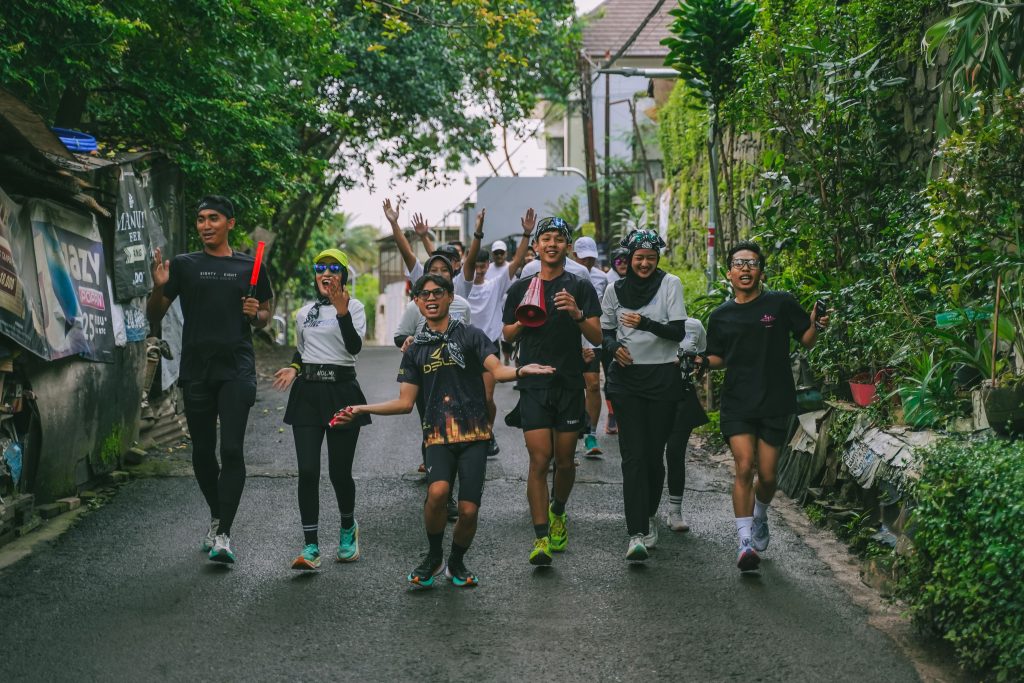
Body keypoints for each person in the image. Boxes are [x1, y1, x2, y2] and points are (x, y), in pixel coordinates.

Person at [332, 274, 554, 587]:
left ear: (450, 296)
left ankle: (456, 562)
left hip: (475, 435)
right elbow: (405, 403)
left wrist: (521, 370)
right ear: (416, 302)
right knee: (437, 493)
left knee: (468, 510)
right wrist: (361, 409)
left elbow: (497, 370)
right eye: (424, 295)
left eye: (438, 293)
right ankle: (434, 556)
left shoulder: (472, 336)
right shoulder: (415, 349)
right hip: (437, 435)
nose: (431, 299)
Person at [147, 195, 273, 564]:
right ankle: (217, 515)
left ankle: (223, 534)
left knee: (231, 450)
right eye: (201, 219)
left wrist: (255, 313)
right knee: (202, 452)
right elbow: (155, 315)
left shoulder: (251, 266)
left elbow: (265, 314)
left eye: (213, 218)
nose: (205, 225)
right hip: (197, 369)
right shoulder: (184, 265)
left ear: (230, 223)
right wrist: (159, 287)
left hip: (236, 368)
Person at [701, 241, 829, 571]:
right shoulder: (720, 316)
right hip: (737, 402)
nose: (745, 269)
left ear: (761, 272)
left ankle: (760, 515)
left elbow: (806, 339)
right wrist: (699, 361)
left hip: (775, 400)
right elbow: (718, 358)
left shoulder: (780, 303)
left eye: (752, 263)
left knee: (769, 477)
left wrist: (816, 325)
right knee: (744, 466)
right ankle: (744, 542)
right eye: (739, 263)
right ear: (729, 273)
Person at [502, 216, 602, 566]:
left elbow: (597, 336)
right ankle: (541, 537)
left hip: (569, 382)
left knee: (564, 461)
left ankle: (558, 509)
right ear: (536, 246)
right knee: (539, 460)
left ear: (567, 246)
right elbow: (507, 335)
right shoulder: (520, 288)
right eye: (546, 238)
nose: (552, 244)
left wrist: (576, 313)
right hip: (533, 384)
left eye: (559, 238)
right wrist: (523, 319)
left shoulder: (580, 286)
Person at [272, 249, 368, 570]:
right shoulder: (304, 313)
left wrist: (341, 312)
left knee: (339, 473)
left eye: (333, 268)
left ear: (343, 275)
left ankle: (347, 528)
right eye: (320, 267)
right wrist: (294, 368)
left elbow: (354, 347)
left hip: (342, 391)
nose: (326, 273)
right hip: (308, 395)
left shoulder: (355, 307)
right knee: (308, 471)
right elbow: (303, 350)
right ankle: (310, 545)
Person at [601, 229, 687, 561]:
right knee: (633, 456)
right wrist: (613, 349)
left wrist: (645, 323)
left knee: (653, 455)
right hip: (626, 380)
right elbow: (605, 333)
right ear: (629, 259)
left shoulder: (670, 284)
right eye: (639, 258)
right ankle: (635, 532)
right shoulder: (614, 290)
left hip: (662, 379)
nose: (645, 264)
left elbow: (678, 332)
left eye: (651, 258)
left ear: (657, 259)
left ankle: (649, 514)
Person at [458, 211, 535, 456]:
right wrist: (478, 232)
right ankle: (468, 432)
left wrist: (526, 234)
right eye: (476, 266)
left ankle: (487, 431)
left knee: (487, 396)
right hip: (463, 346)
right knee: (464, 396)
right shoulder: (461, 287)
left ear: (488, 266)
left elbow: (517, 261)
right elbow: (467, 261)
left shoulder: (496, 284)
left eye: (483, 266)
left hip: (488, 344)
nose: (480, 270)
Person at [662, 318, 710, 533]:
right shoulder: (648, 321)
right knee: (651, 454)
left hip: (682, 395)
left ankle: (675, 511)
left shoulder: (694, 326)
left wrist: (695, 366)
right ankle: (647, 512)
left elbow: (704, 357)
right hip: (653, 395)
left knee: (675, 450)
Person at [572, 236, 608, 456]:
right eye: (583, 258)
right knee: (571, 385)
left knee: (593, 384)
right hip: (568, 337)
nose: (587, 262)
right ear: (574, 255)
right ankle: (567, 436)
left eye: (591, 258)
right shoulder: (565, 273)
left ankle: (591, 435)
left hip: (592, 336)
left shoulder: (602, 278)